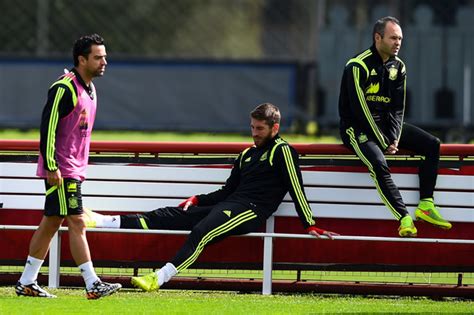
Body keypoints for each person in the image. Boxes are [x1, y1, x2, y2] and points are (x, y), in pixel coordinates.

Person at [84, 103, 339, 292]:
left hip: (250, 211)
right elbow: (227, 191)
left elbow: (296, 187)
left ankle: (159, 278)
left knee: (201, 231)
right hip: (228, 204)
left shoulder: (283, 151)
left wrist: (309, 223)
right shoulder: (247, 154)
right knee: (167, 215)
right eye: (252, 127)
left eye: (260, 129)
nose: (254, 133)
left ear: (275, 127)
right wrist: (197, 199)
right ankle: (103, 221)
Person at [15, 34, 121, 299]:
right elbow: (47, 127)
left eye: (104, 56)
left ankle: (27, 281)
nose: (104, 62)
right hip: (61, 170)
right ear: (81, 59)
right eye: (98, 57)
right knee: (77, 221)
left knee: (51, 222)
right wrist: (51, 166)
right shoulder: (64, 88)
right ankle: (92, 283)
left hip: (74, 168)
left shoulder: (90, 89)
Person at [338, 16, 452, 237]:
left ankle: (426, 205)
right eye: (393, 38)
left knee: (432, 144)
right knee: (379, 162)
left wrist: (395, 138)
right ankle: (404, 218)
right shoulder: (357, 65)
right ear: (377, 37)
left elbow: (398, 109)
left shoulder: (398, 66)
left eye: (400, 38)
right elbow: (360, 111)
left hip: (384, 127)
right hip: (356, 128)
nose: (398, 42)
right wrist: (383, 142)